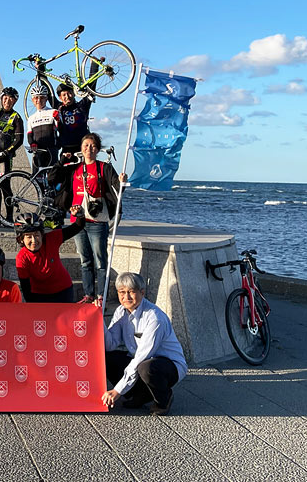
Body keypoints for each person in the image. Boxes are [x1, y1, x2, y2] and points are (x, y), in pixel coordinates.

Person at [54, 133, 126, 306]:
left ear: (98, 149)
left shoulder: (104, 168)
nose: (89, 149)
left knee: (100, 261)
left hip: (97, 221)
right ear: (81, 148)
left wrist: (122, 181)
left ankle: (101, 296)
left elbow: (117, 189)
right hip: (78, 221)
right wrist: (61, 161)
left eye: (93, 146)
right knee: (85, 261)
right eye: (86, 145)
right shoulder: (74, 168)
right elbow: (52, 178)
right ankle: (88, 295)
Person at [102, 272, 188, 416]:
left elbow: (142, 357)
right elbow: (110, 345)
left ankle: (163, 399)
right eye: (122, 292)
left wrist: (117, 391)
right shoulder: (120, 311)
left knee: (146, 367)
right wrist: (99, 318)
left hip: (167, 365)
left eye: (131, 292)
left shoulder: (155, 318)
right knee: (107, 358)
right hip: (141, 360)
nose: (126, 297)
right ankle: (140, 396)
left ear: (142, 292)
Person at [14, 208, 84, 303]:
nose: (34, 240)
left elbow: (77, 227)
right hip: (38, 294)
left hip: (63, 290)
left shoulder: (51, 239)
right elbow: (25, 287)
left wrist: (79, 215)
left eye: (37, 235)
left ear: (42, 235)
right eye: (29, 236)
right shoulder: (22, 258)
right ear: (21, 239)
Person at [0, 86, 25, 223]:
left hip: (4, 158)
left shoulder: (16, 117)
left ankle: (9, 217)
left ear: (15, 101)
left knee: (4, 186)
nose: (7, 101)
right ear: (1, 99)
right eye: (5, 98)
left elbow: (19, 140)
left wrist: (5, 153)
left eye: (11, 99)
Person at [25, 84, 59, 169]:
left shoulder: (53, 112)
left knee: (53, 175)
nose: (39, 100)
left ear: (46, 99)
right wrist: (32, 143)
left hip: (51, 150)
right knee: (36, 176)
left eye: (42, 98)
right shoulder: (31, 118)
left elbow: (60, 129)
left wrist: (58, 119)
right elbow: (29, 135)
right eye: (36, 98)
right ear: (32, 100)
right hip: (38, 151)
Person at [56, 82, 93, 160]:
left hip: (83, 148)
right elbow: (49, 95)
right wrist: (42, 75)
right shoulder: (59, 108)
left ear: (74, 93)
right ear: (60, 97)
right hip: (66, 150)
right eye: (64, 95)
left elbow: (91, 89)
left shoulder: (82, 106)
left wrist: (94, 73)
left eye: (69, 93)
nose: (67, 97)